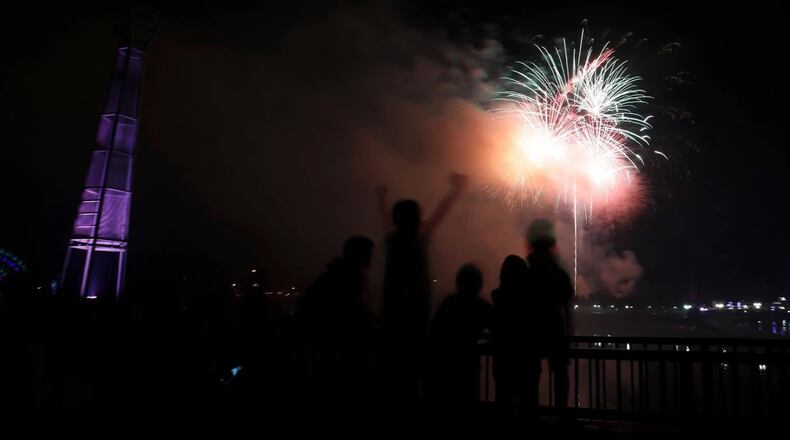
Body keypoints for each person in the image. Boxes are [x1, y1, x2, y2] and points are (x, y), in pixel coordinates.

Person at [375, 173, 468, 402]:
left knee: (395, 379)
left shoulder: (392, 241)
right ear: (416, 219)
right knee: (415, 376)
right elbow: (439, 214)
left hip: (393, 318)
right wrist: (455, 191)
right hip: (416, 317)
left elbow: (386, 219)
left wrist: (381, 199)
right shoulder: (420, 239)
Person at [524, 219, 575, 416]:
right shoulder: (559, 274)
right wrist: (569, 337)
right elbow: (567, 309)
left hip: (532, 333)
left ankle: (531, 416)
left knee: (531, 376)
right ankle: (560, 414)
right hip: (555, 332)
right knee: (560, 376)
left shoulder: (527, 273)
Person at [426, 264, 492, 408]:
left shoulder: (449, 303)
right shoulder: (482, 307)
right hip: (468, 362)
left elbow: (434, 331)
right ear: (478, 284)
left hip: (445, 364)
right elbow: (499, 327)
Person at [490, 255, 530, 419]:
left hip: (502, 357)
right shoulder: (528, 301)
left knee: (503, 401)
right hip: (525, 358)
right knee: (526, 405)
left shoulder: (497, 297)